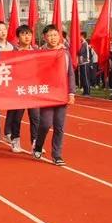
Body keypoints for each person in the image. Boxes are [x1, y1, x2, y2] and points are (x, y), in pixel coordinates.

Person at [33, 24, 75, 166]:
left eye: (55, 35)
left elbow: (70, 74)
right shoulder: (40, 53)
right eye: (49, 35)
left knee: (59, 125)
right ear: (45, 38)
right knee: (45, 123)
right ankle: (38, 145)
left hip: (62, 93)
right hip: (46, 93)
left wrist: (71, 93)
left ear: (59, 36)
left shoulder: (65, 53)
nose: (53, 38)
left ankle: (57, 155)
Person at [4, 25, 39, 153]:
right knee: (17, 117)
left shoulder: (37, 50)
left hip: (32, 88)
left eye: (29, 34)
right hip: (18, 89)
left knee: (35, 117)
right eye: (24, 34)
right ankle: (15, 140)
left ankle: (35, 142)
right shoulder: (13, 52)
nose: (27, 37)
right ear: (18, 37)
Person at [0, 21, 16, 144]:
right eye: (0, 30)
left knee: (11, 106)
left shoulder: (12, 47)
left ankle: (7, 131)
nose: (3, 32)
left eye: (4, 29)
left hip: (9, 80)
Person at [77, 31, 91, 96]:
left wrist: (76, 49)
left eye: (80, 36)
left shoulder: (85, 43)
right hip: (82, 63)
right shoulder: (82, 43)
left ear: (82, 36)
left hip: (85, 63)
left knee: (85, 77)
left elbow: (80, 52)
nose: (79, 37)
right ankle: (85, 91)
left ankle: (87, 92)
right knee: (83, 78)